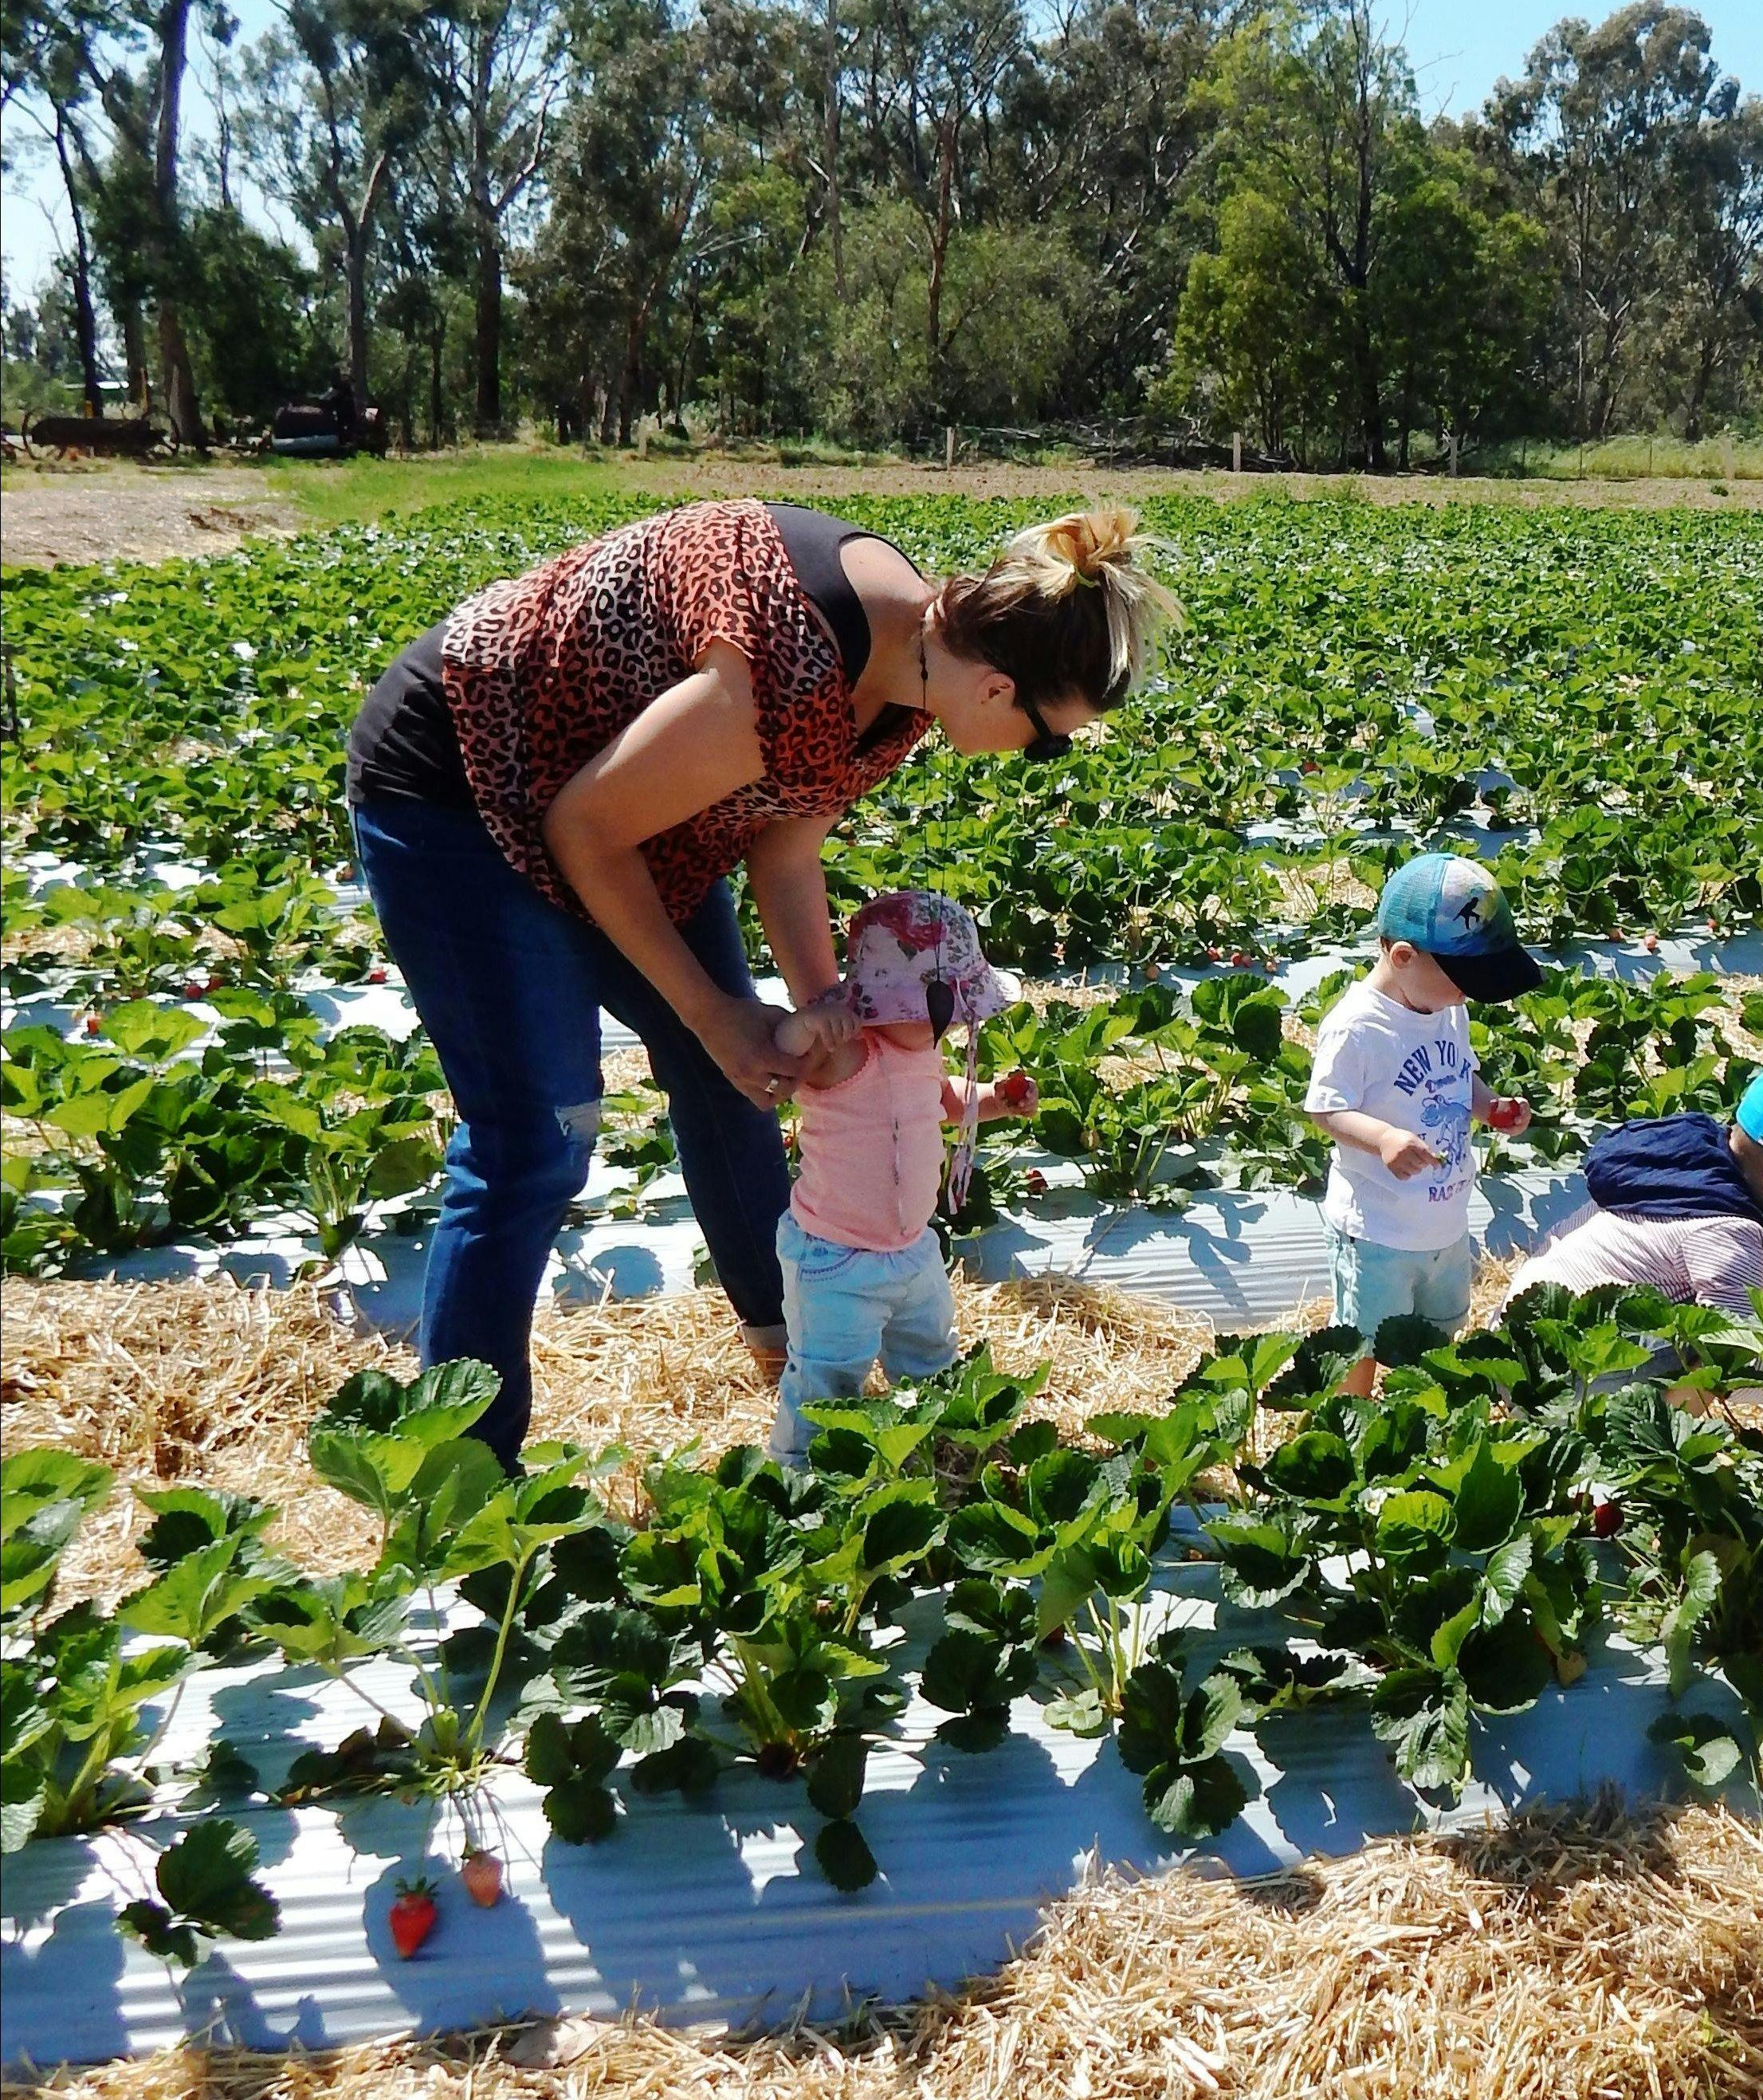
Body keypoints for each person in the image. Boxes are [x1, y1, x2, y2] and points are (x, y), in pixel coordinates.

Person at [344, 498, 1177, 1465]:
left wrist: (835, 1018)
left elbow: (787, 848)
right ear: (997, 691)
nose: (1037, 758)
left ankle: (783, 1351)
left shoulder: (910, 671)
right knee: (533, 1138)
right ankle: (462, 1477)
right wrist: (712, 1015)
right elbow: (583, 830)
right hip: (459, 781)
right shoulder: (793, 659)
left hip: (628, 805)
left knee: (736, 1080)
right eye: (1048, 738)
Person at [764, 889, 1032, 1466]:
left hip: (914, 1250)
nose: (958, 1027)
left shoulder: (923, 1053)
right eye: (952, 1013)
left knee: (932, 1356)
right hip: (836, 1262)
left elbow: (943, 1099)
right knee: (827, 1380)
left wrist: (995, 1100)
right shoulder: (845, 1054)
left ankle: (941, 1446)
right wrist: (808, 1021)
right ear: (900, 1005)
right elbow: (782, 1050)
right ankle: (798, 1476)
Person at [1303, 853, 1537, 1380]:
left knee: (1441, 1330)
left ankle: (1424, 1407)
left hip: (1445, 1220)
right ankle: (1354, 1417)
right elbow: (1326, 1109)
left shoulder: (1446, 1008)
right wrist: (1383, 1137)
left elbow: (1460, 1075)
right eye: (1462, 979)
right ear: (1404, 956)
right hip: (1378, 1228)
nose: (1468, 994)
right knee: (1361, 1342)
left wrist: (1489, 1106)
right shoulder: (1357, 1028)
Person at [1503, 1057, 1763, 1316]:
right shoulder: (1726, 1232)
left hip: (1522, 1326)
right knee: (1695, 1362)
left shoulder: (1690, 1170)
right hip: (1561, 1373)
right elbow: (1735, 1358)